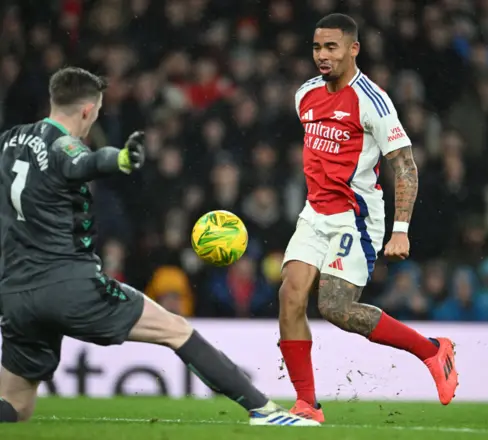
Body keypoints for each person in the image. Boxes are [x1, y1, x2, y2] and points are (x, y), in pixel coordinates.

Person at [0, 67, 318, 427]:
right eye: (99, 111)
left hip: (15, 292)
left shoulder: (11, 140)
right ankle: (264, 410)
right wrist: (118, 159)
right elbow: (82, 160)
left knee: (15, 406)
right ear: (88, 110)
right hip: (68, 284)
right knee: (176, 329)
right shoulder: (66, 145)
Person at [278, 13, 458, 423]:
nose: (322, 56)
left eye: (331, 47)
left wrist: (401, 230)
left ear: (353, 49)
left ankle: (431, 350)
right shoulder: (305, 94)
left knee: (336, 308)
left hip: (354, 219)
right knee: (290, 296)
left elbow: (406, 165)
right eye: (316, 47)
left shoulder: (373, 102)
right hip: (314, 213)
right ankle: (307, 404)